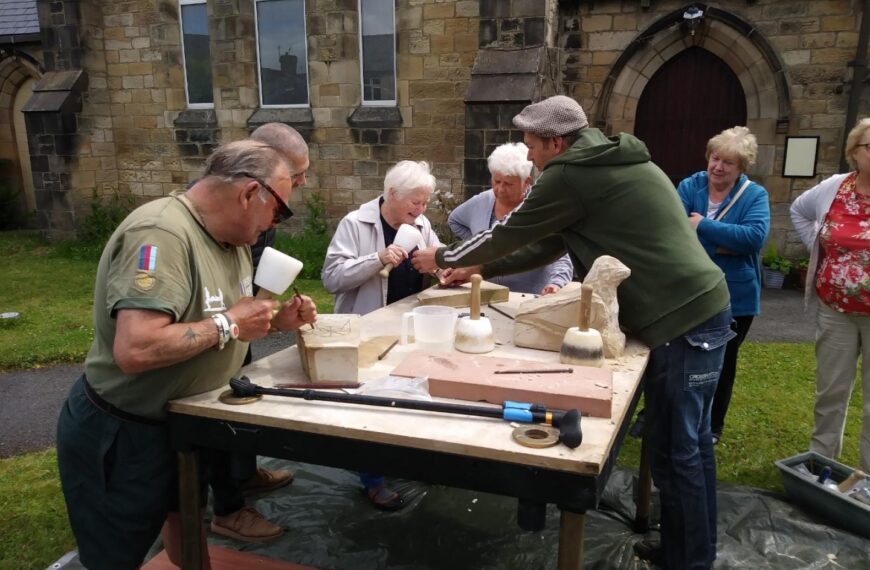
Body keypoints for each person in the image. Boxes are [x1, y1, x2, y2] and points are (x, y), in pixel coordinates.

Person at [412, 95, 733, 570]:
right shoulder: (603, 162)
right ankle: (686, 549)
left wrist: (442, 257)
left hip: (684, 319)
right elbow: (547, 244)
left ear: (557, 143)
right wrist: (479, 268)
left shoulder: (569, 175)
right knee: (686, 444)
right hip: (700, 308)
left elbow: (510, 231)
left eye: (532, 146)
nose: (529, 156)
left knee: (680, 449)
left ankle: (690, 562)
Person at [55, 140, 318, 570]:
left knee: (187, 528)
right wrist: (230, 323)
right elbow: (136, 348)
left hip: (183, 425)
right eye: (280, 210)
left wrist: (274, 322)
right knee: (114, 557)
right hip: (126, 433)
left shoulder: (232, 241)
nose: (277, 222)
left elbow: (218, 318)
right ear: (250, 193)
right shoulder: (161, 234)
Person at [206, 123, 311, 543]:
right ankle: (227, 507)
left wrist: (274, 315)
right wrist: (236, 319)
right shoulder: (218, 213)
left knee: (242, 391)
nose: (302, 183)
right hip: (211, 336)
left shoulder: (264, 207)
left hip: (236, 323)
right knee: (216, 404)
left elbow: (252, 274)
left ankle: (244, 474)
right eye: (297, 174)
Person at [322, 160, 441, 509]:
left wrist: (441, 268)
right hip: (365, 330)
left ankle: (410, 458)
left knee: (412, 394)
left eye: (425, 203)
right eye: (415, 202)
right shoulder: (355, 223)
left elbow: (436, 257)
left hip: (406, 328)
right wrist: (377, 258)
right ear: (392, 194)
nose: (421, 210)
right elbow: (331, 278)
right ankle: (372, 480)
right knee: (371, 403)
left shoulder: (421, 224)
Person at [676, 126, 770, 445]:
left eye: (728, 162)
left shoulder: (755, 195)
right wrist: (726, 243)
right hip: (689, 289)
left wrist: (702, 225)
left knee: (723, 361)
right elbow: (673, 229)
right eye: (715, 158)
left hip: (735, 296)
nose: (718, 167)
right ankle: (661, 414)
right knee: (677, 354)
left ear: (741, 167)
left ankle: (713, 426)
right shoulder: (690, 186)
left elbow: (753, 237)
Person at [790, 117, 870, 473]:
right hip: (835, 309)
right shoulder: (835, 188)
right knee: (830, 392)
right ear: (855, 152)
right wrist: (819, 252)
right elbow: (799, 211)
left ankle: (867, 482)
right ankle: (821, 466)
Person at [448, 142, 573, 295]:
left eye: (508, 184)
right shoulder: (481, 202)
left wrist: (557, 283)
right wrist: (477, 245)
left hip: (529, 296)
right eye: (496, 181)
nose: (500, 189)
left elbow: (561, 253)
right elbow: (454, 220)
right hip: (485, 294)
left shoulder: (541, 206)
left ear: (526, 182)